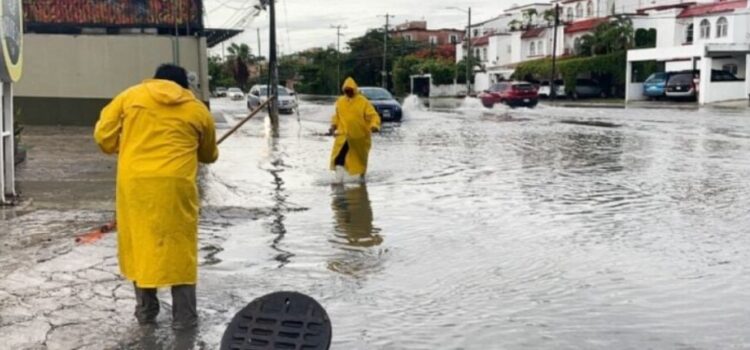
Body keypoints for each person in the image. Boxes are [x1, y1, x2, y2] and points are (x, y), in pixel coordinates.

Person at [94, 64, 219, 330]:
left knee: (141, 244)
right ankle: (185, 320)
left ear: (154, 79)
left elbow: (103, 138)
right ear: (185, 85)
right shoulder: (197, 109)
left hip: (135, 186)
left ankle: (146, 314)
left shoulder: (129, 97)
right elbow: (209, 155)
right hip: (176, 187)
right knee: (179, 249)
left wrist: (126, 145)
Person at [329, 77, 381, 182]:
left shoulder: (363, 101)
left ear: (354, 90)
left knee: (360, 159)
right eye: (346, 91)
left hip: (359, 137)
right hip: (343, 135)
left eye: (350, 90)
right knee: (339, 156)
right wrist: (333, 126)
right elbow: (337, 116)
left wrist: (374, 125)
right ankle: (338, 181)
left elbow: (373, 115)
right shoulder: (340, 101)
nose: (348, 93)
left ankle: (361, 178)